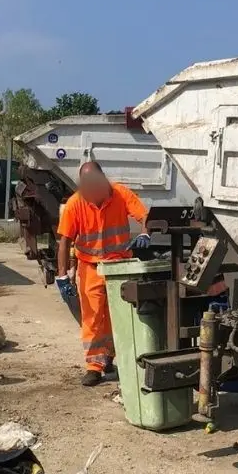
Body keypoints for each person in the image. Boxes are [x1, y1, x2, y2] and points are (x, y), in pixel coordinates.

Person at [55, 161, 150, 387]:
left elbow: (145, 215)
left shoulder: (120, 194)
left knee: (121, 315)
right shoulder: (75, 204)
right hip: (91, 267)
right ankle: (94, 367)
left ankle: (115, 358)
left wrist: (146, 232)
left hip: (120, 265)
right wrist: (62, 276)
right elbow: (64, 241)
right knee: (93, 317)